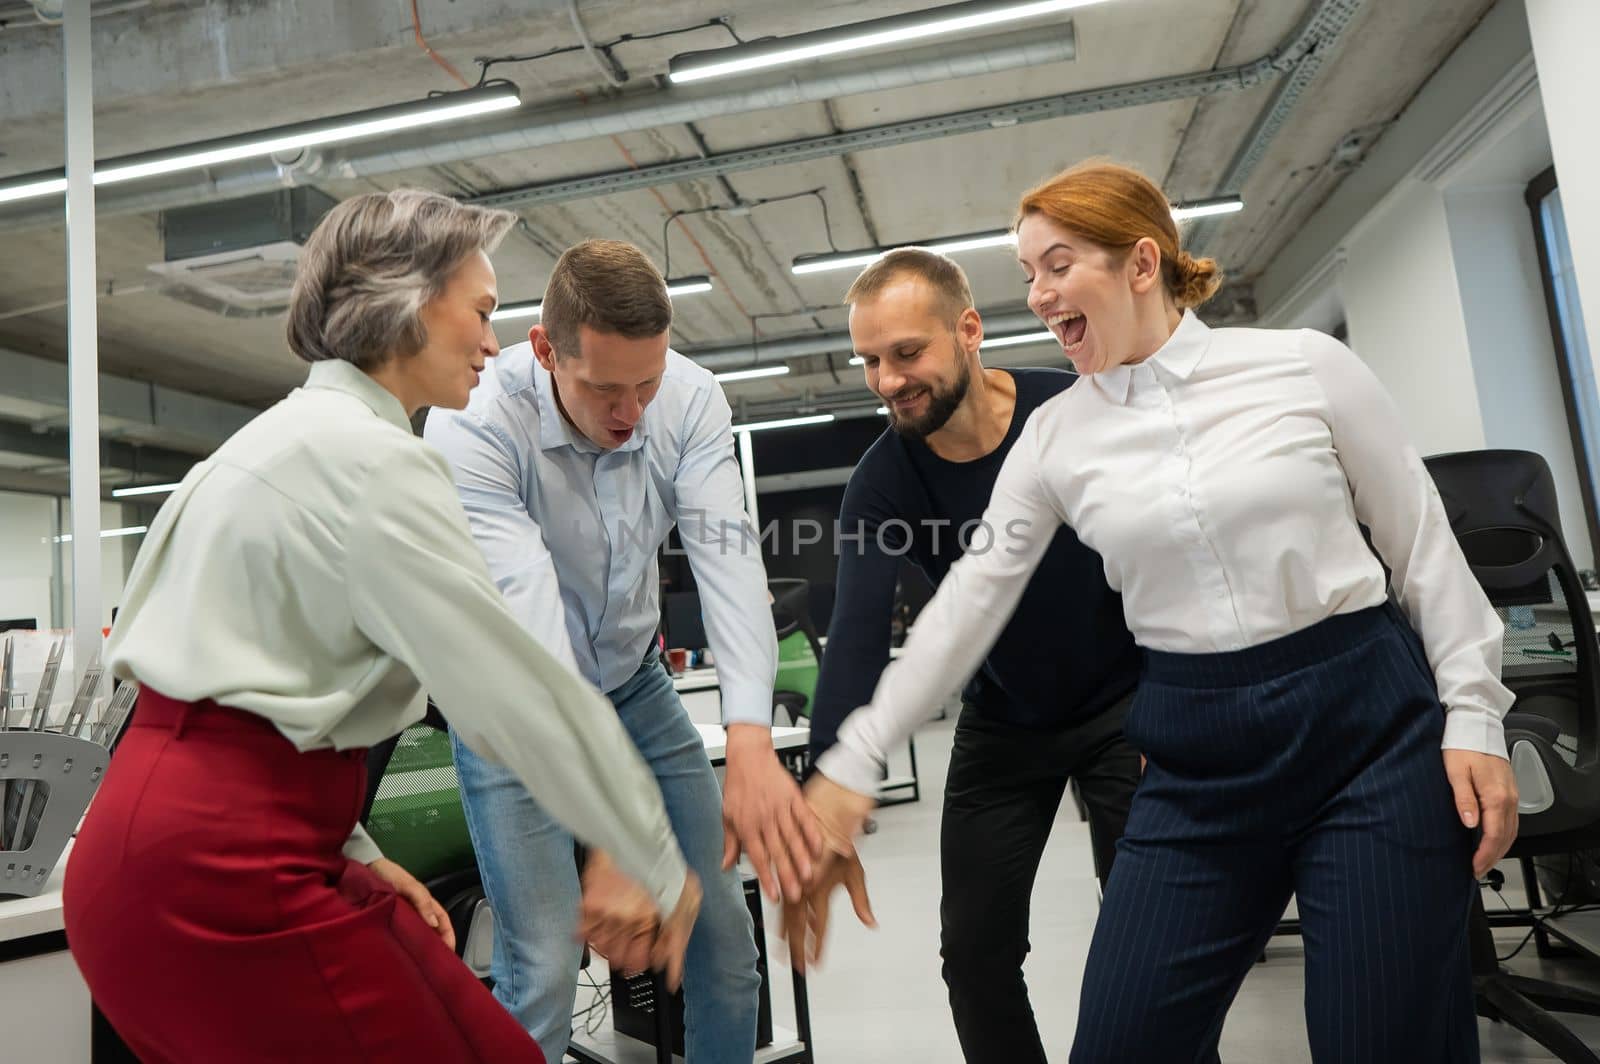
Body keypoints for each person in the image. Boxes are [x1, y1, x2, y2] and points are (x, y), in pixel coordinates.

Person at [794, 161, 1520, 1062]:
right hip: (1193, 750)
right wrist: (844, 767)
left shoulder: (1302, 365)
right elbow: (964, 613)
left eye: (1058, 264)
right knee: (1123, 1041)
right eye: (1029, 273)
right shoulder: (1057, 438)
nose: (1041, 291)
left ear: (1142, 263)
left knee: (1380, 1037)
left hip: (1363, 726)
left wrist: (1475, 714)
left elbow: (1421, 548)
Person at [63, 190, 702, 1064]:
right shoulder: (373, 464)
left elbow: (260, 700)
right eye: (480, 311)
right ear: (407, 301)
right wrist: (650, 856)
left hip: (163, 858)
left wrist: (358, 852)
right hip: (221, 879)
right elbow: (508, 691)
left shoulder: (272, 443)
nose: (492, 341)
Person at [424, 238, 821, 1063]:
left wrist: (748, 735)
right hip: (515, 701)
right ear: (545, 349)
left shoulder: (691, 398)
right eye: (605, 388)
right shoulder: (475, 419)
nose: (631, 412)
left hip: (636, 685)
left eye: (647, 383)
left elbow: (726, 557)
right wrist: (610, 832)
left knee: (726, 946)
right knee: (541, 970)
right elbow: (528, 623)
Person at [807, 247, 1141, 1062]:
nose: (887, 380)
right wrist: (825, 789)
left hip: (1129, 710)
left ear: (968, 330)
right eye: (870, 362)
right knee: (976, 960)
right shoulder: (883, 480)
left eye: (907, 354)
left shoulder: (1073, 407)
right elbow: (854, 640)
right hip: (1005, 724)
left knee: (1149, 948)